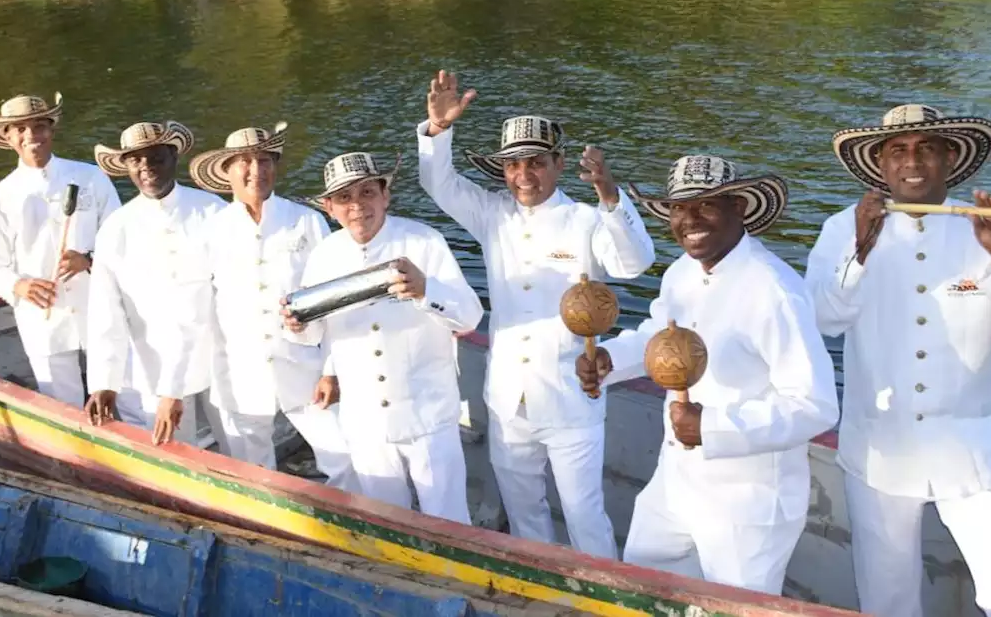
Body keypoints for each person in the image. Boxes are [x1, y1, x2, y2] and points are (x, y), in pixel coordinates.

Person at [804, 104, 991, 617]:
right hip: (878, 452)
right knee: (888, 604)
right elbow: (821, 320)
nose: (912, 161)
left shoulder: (989, 228)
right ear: (881, 165)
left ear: (950, 160)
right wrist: (858, 256)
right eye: (898, 151)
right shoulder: (845, 228)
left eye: (926, 149)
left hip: (972, 454)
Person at [416, 71, 654, 558]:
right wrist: (438, 129)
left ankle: (602, 602)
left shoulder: (587, 219)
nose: (524, 175)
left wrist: (610, 196)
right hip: (507, 399)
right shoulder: (492, 213)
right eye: (514, 165)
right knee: (525, 514)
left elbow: (634, 264)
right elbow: (437, 182)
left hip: (573, 396)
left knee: (586, 517)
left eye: (537, 163)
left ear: (560, 164)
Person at [574, 154, 839, 593]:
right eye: (679, 207)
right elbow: (658, 338)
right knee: (645, 581)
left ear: (739, 208)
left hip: (748, 498)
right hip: (675, 479)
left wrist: (712, 427)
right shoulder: (681, 272)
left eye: (705, 205)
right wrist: (609, 360)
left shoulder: (773, 288)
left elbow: (816, 405)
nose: (689, 219)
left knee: (735, 608)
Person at [285, 150, 483, 522]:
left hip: (428, 416)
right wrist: (296, 325)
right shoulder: (324, 256)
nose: (357, 206)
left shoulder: (425, 242)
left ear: (385, 195)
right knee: (386, 525)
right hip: (365, 423)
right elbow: (312, 333)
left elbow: (470, 318)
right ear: (329, 207)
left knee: (452, 524)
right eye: (344, 198)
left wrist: (427, 290)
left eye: (366, 193)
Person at [190, 126, 357, 490]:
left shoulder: (306, 221)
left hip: (305, 368)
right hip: (239, 373)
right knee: (255, 477)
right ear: (226, 171)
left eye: (264, 160)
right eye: (245, 162)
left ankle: (354, 535)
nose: (256, 170)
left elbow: (332, 301)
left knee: (345, 457)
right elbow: (199, 311)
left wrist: (332, 370)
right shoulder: (210, 231)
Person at [0, 93, 121, 408]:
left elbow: (119, 236)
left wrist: (89, 260)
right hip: (42, 314)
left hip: (98, 303)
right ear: (7, 136)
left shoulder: (90, 177)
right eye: (20, 129)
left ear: (51, 130)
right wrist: (19, 286)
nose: (31, 136)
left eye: (39, 126)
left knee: (125, 391)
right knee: (62, 405)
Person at [83, 121, 223, 445]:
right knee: (174, 450)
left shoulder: (212, 210)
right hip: (155, 360)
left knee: (244, 448)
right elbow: (106, 311)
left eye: (156, 158)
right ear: (126, 166)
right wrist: (104, 382)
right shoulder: (116, 228)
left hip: (218, 355)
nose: (147, 168)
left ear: (174, 157)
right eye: (136, 160)